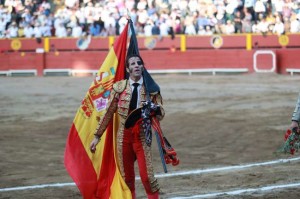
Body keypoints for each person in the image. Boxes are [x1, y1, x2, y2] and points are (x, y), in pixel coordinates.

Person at [89, 54, 164, 199]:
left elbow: (161, 113)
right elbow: (108, 113)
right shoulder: (119, 87)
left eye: (139, 63)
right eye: (133, 64)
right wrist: (97, 136)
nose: (136, 65)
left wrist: (155, 109)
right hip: (123, 137)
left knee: (147, 177)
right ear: (128, 68)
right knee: (127, 178)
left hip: (142, 136)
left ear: (143, 67)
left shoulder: (152, 88)